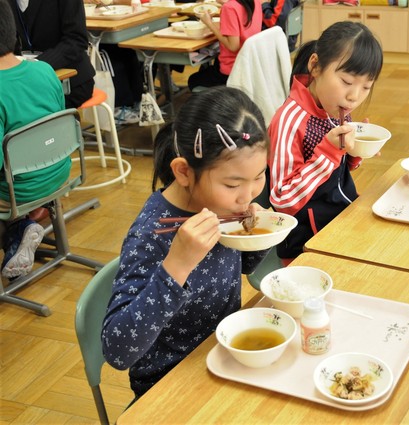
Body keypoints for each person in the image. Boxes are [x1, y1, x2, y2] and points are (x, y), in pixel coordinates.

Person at [101, 86, 271, 399]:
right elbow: (117, 351)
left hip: (226, 359)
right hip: (169, 386)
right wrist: (177, 265)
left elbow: (244, 266)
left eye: (259, 177)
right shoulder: (152, 234)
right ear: (183, 171)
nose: (248, 196)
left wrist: (258, 235)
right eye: (233, 183)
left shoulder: (223, 207)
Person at [267, 21, 383, 262]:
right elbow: (282, 200)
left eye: (366, 88)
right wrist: (330, 150)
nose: (354, 97)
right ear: (315, 66)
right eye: (347, 82)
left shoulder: (335, 105)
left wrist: (354, 152)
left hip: (340, 219)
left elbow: (334, 173)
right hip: (306, 244)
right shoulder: (289, 121)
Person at [0, 0, 69, 278]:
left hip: (18, 192)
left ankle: (17, 232)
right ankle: (20, 231)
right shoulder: (43, 70)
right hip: (57, 172)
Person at [9, 0, 95, 109]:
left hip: (70, 82)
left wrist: (37, 64)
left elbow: (76, 40)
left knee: (23, 111)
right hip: (27, 82)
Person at [187, 0, 263, 90]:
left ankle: (224, 100)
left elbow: (233, 46)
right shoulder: (255, 2)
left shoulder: (230, 8)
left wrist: (209, 23)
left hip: (232, 71)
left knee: (193, 80)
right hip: (249, 66)